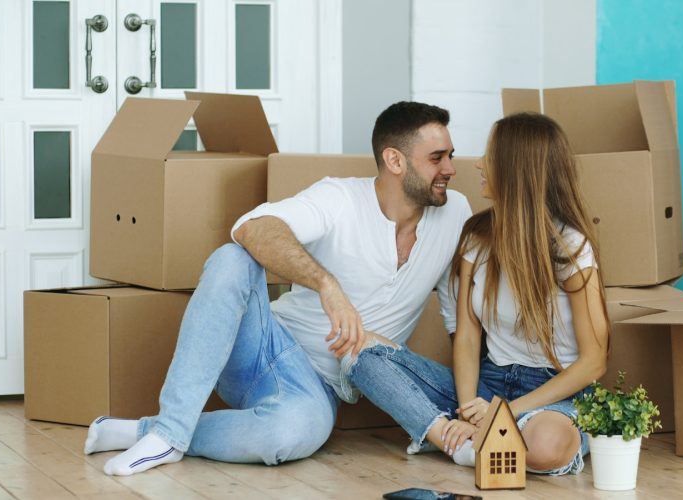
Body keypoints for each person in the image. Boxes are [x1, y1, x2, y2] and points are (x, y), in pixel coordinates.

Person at [83, 101, 472, 476]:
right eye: (437, 158)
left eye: (450, 155)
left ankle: (141, 431)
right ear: (395, 160)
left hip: (316, 389)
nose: (451, 169)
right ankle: (169, 430)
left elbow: (460, 314)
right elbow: (253, 228)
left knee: (286, 437)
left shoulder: (455, 213)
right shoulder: (339, 198)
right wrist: (326, 284)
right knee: (232, 259)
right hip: (264, 343)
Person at [344, 112, 608, 476]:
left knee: (546, 446)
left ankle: (475, 440)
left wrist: (503, 414)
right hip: (488, 384)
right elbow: (467, 338)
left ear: (517, 169)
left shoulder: (570, 248)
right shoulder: (477, 236)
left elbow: (593, 362)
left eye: (491, 156)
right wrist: (471, 406)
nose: (480, 164)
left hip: (553, 394)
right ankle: (460, 443)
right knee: (362, 355)